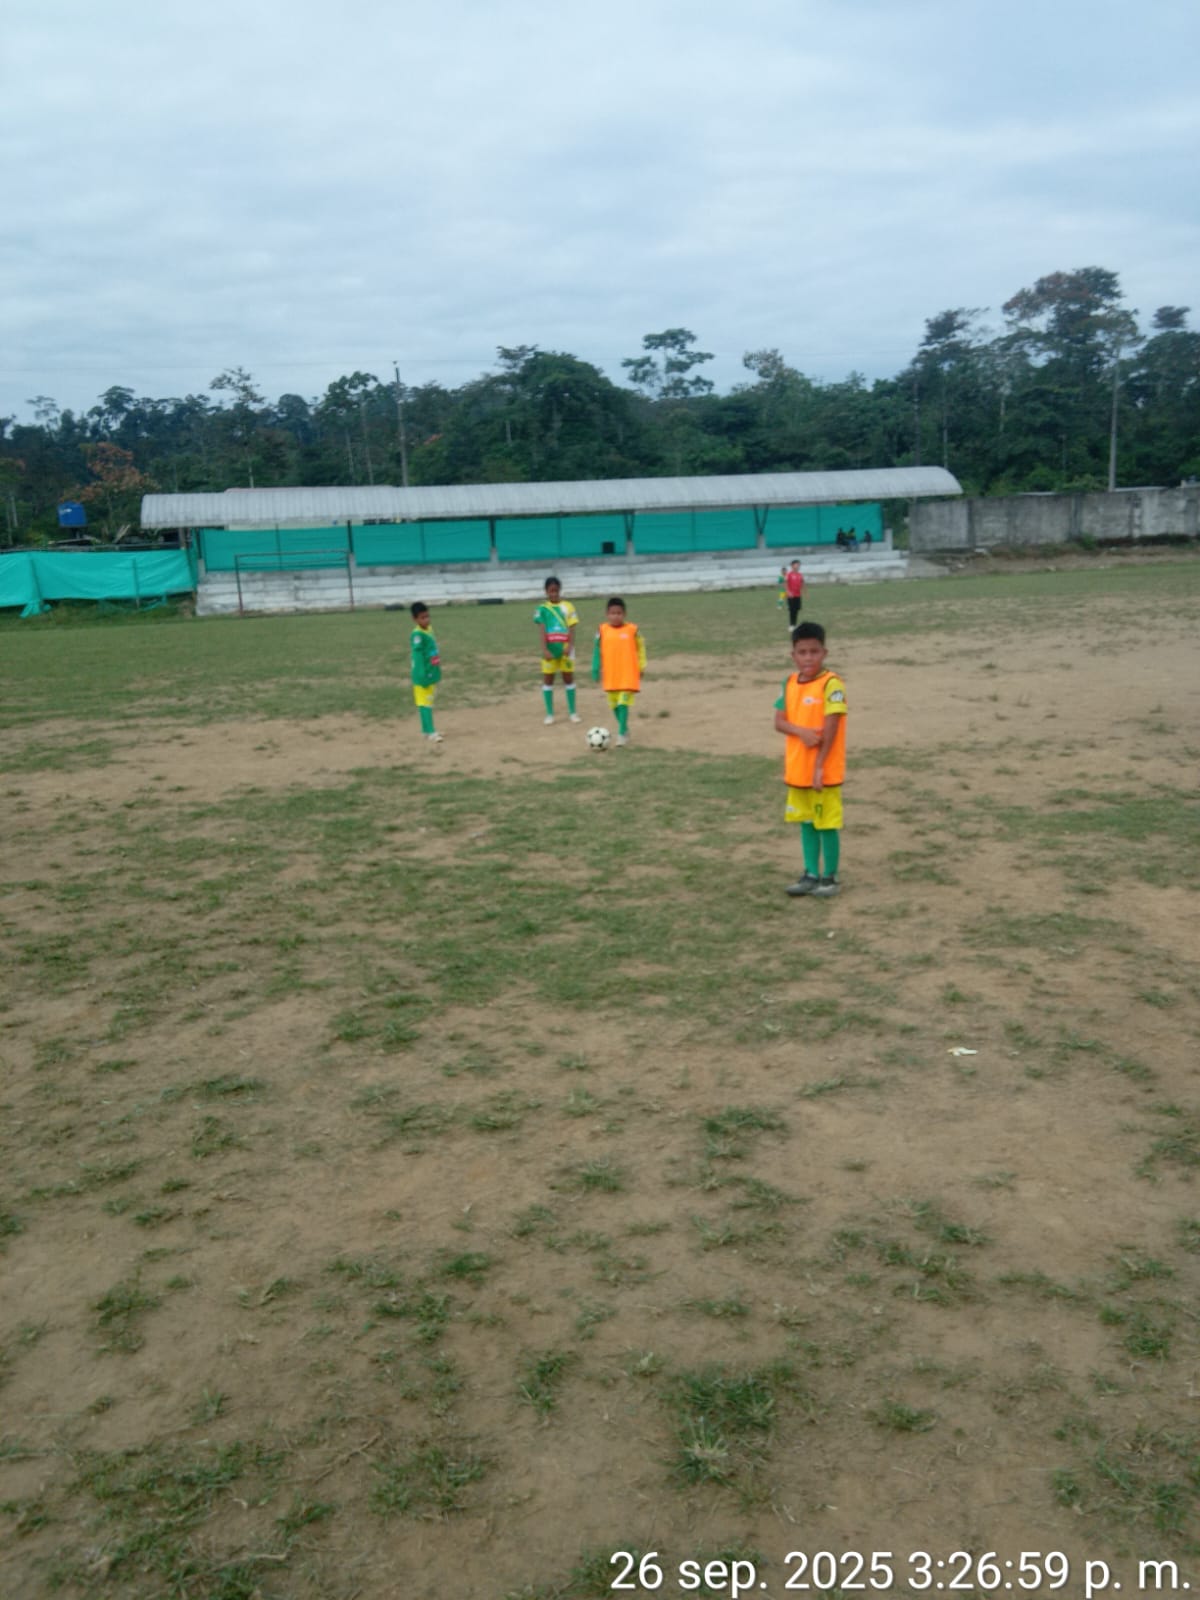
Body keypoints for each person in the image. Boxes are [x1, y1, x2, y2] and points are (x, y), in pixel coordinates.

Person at [774, 621, 847, 897]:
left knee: (826, 823)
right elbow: (779, 721)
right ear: (793, 655)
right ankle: (810, 874)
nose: (808, 658)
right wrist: (801, 732)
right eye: (802, 652)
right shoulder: (789, 683)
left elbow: (832, 726)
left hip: (823, 771)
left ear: (824, 653)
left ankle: (830, 877)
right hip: (798, 770)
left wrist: (819, 766)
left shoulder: (832, 684)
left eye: (814, 652)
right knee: (806, 822)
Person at [592, 596, 646, 747]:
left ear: (624, 614)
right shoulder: (602, 630)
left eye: (619, 613)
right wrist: (595, 668)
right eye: (612, 613)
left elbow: (641, 647)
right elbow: (596, 650)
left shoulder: (632, 630)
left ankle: (621, 733)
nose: (616, 616)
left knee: (623, 704)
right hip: (611, 675)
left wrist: (642, 665)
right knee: (614, 705)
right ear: (607, 614)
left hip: (628, 673)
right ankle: (625, 728)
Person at [533, 576, 581, 725]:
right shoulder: (542, 609)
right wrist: (544, 649)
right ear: (546, 591)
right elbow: (542, 630)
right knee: (548, 680)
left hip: (565, 649)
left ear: (560, 590)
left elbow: (572, 628)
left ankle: (573, 712)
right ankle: (549, 714)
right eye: (550, 591)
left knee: (568, 678)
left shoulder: (568, 606)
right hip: (550, 650)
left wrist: (570, 646)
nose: (553, 593)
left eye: (556, 590)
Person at [410, 601, 443, 743]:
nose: (426, 620)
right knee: (425, 704)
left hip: (430, 672)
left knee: (425, 702)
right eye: (422, 618)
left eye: (427, 616)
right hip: (423, 675)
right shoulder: (417, 635)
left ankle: (426, 730)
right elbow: (417, 657)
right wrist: (422, 675)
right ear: (415, 619)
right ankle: (431, 732)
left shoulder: (429, 629)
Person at [785, 560, 805, 628]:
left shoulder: (800, 574)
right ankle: (791, 625)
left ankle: (794, 624)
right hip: (791, 595)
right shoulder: (789, 574)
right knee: (792, 610)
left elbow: (801, 583)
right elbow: (786, 583)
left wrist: (802, 589)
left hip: (798, 595)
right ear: (792, 566)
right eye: (797, 565)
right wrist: (788, 592)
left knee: (796, 610)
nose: (798, 566)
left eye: (799, 565)